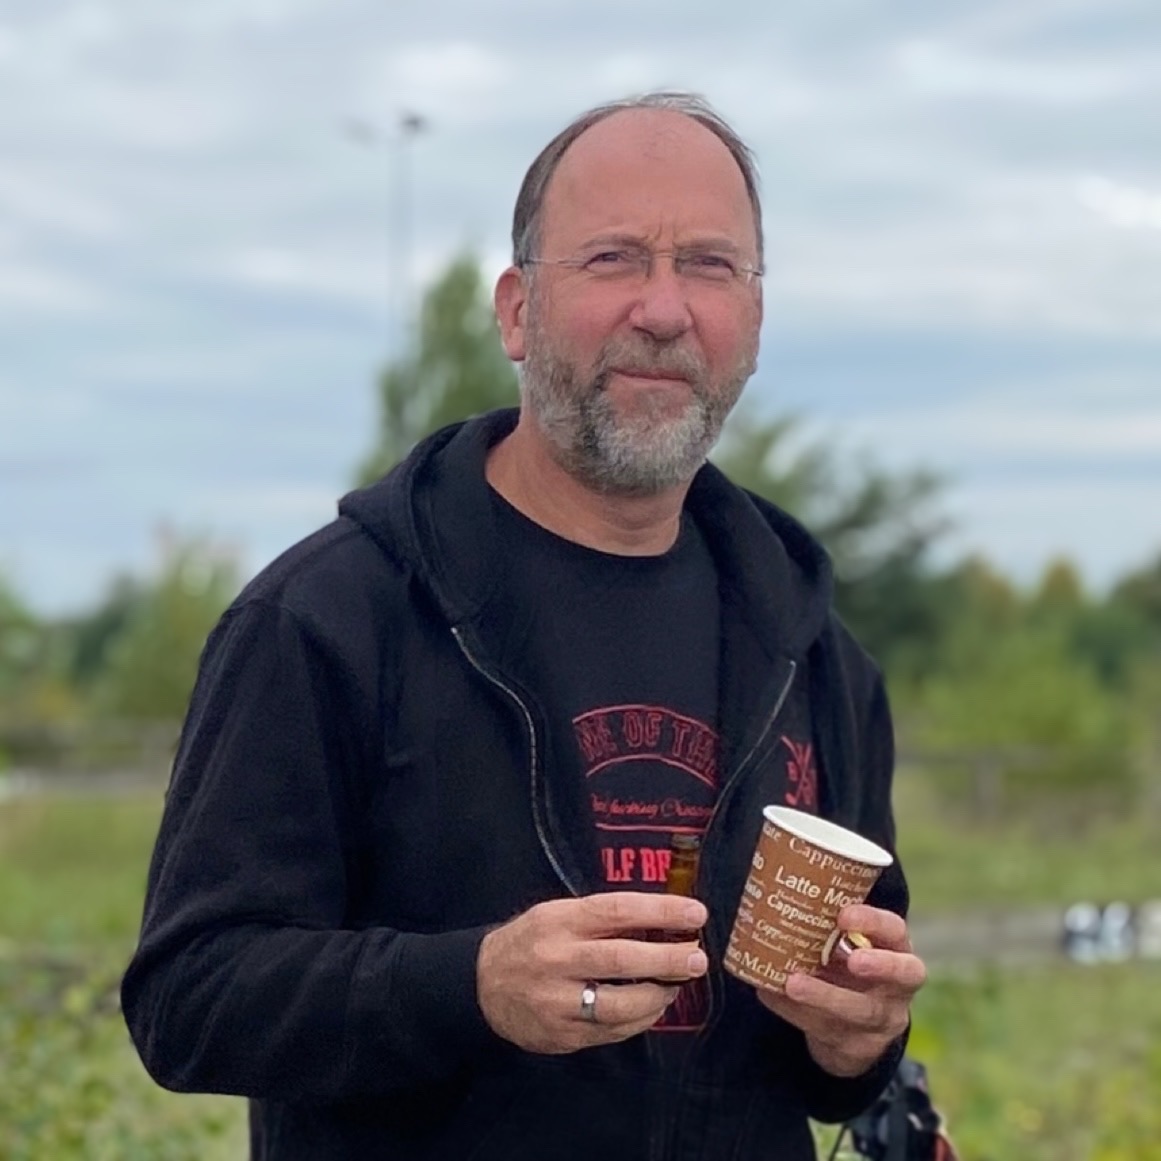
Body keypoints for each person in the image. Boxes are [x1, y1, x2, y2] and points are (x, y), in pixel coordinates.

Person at [122, 91, 926, 1161]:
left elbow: (834, 1064)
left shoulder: (811, 653)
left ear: (754, 318)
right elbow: (187, 1000)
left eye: (709, 265)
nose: (664, 309)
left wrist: (857, 1037)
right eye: (612, 259)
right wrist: (472, 985)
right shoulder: (326, 620)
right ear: (515, 311)